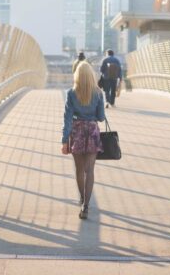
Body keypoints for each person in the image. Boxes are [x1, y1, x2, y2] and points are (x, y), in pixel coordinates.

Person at [61, 61, 105, 220]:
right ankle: (86, 205)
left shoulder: (71, 93)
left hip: (77, 131)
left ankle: (82, 199)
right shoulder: (98, 93)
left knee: (79, 170)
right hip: (92, 132)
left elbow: (66, 119)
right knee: (90, 170)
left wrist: (64, 140)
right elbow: (101, 117)